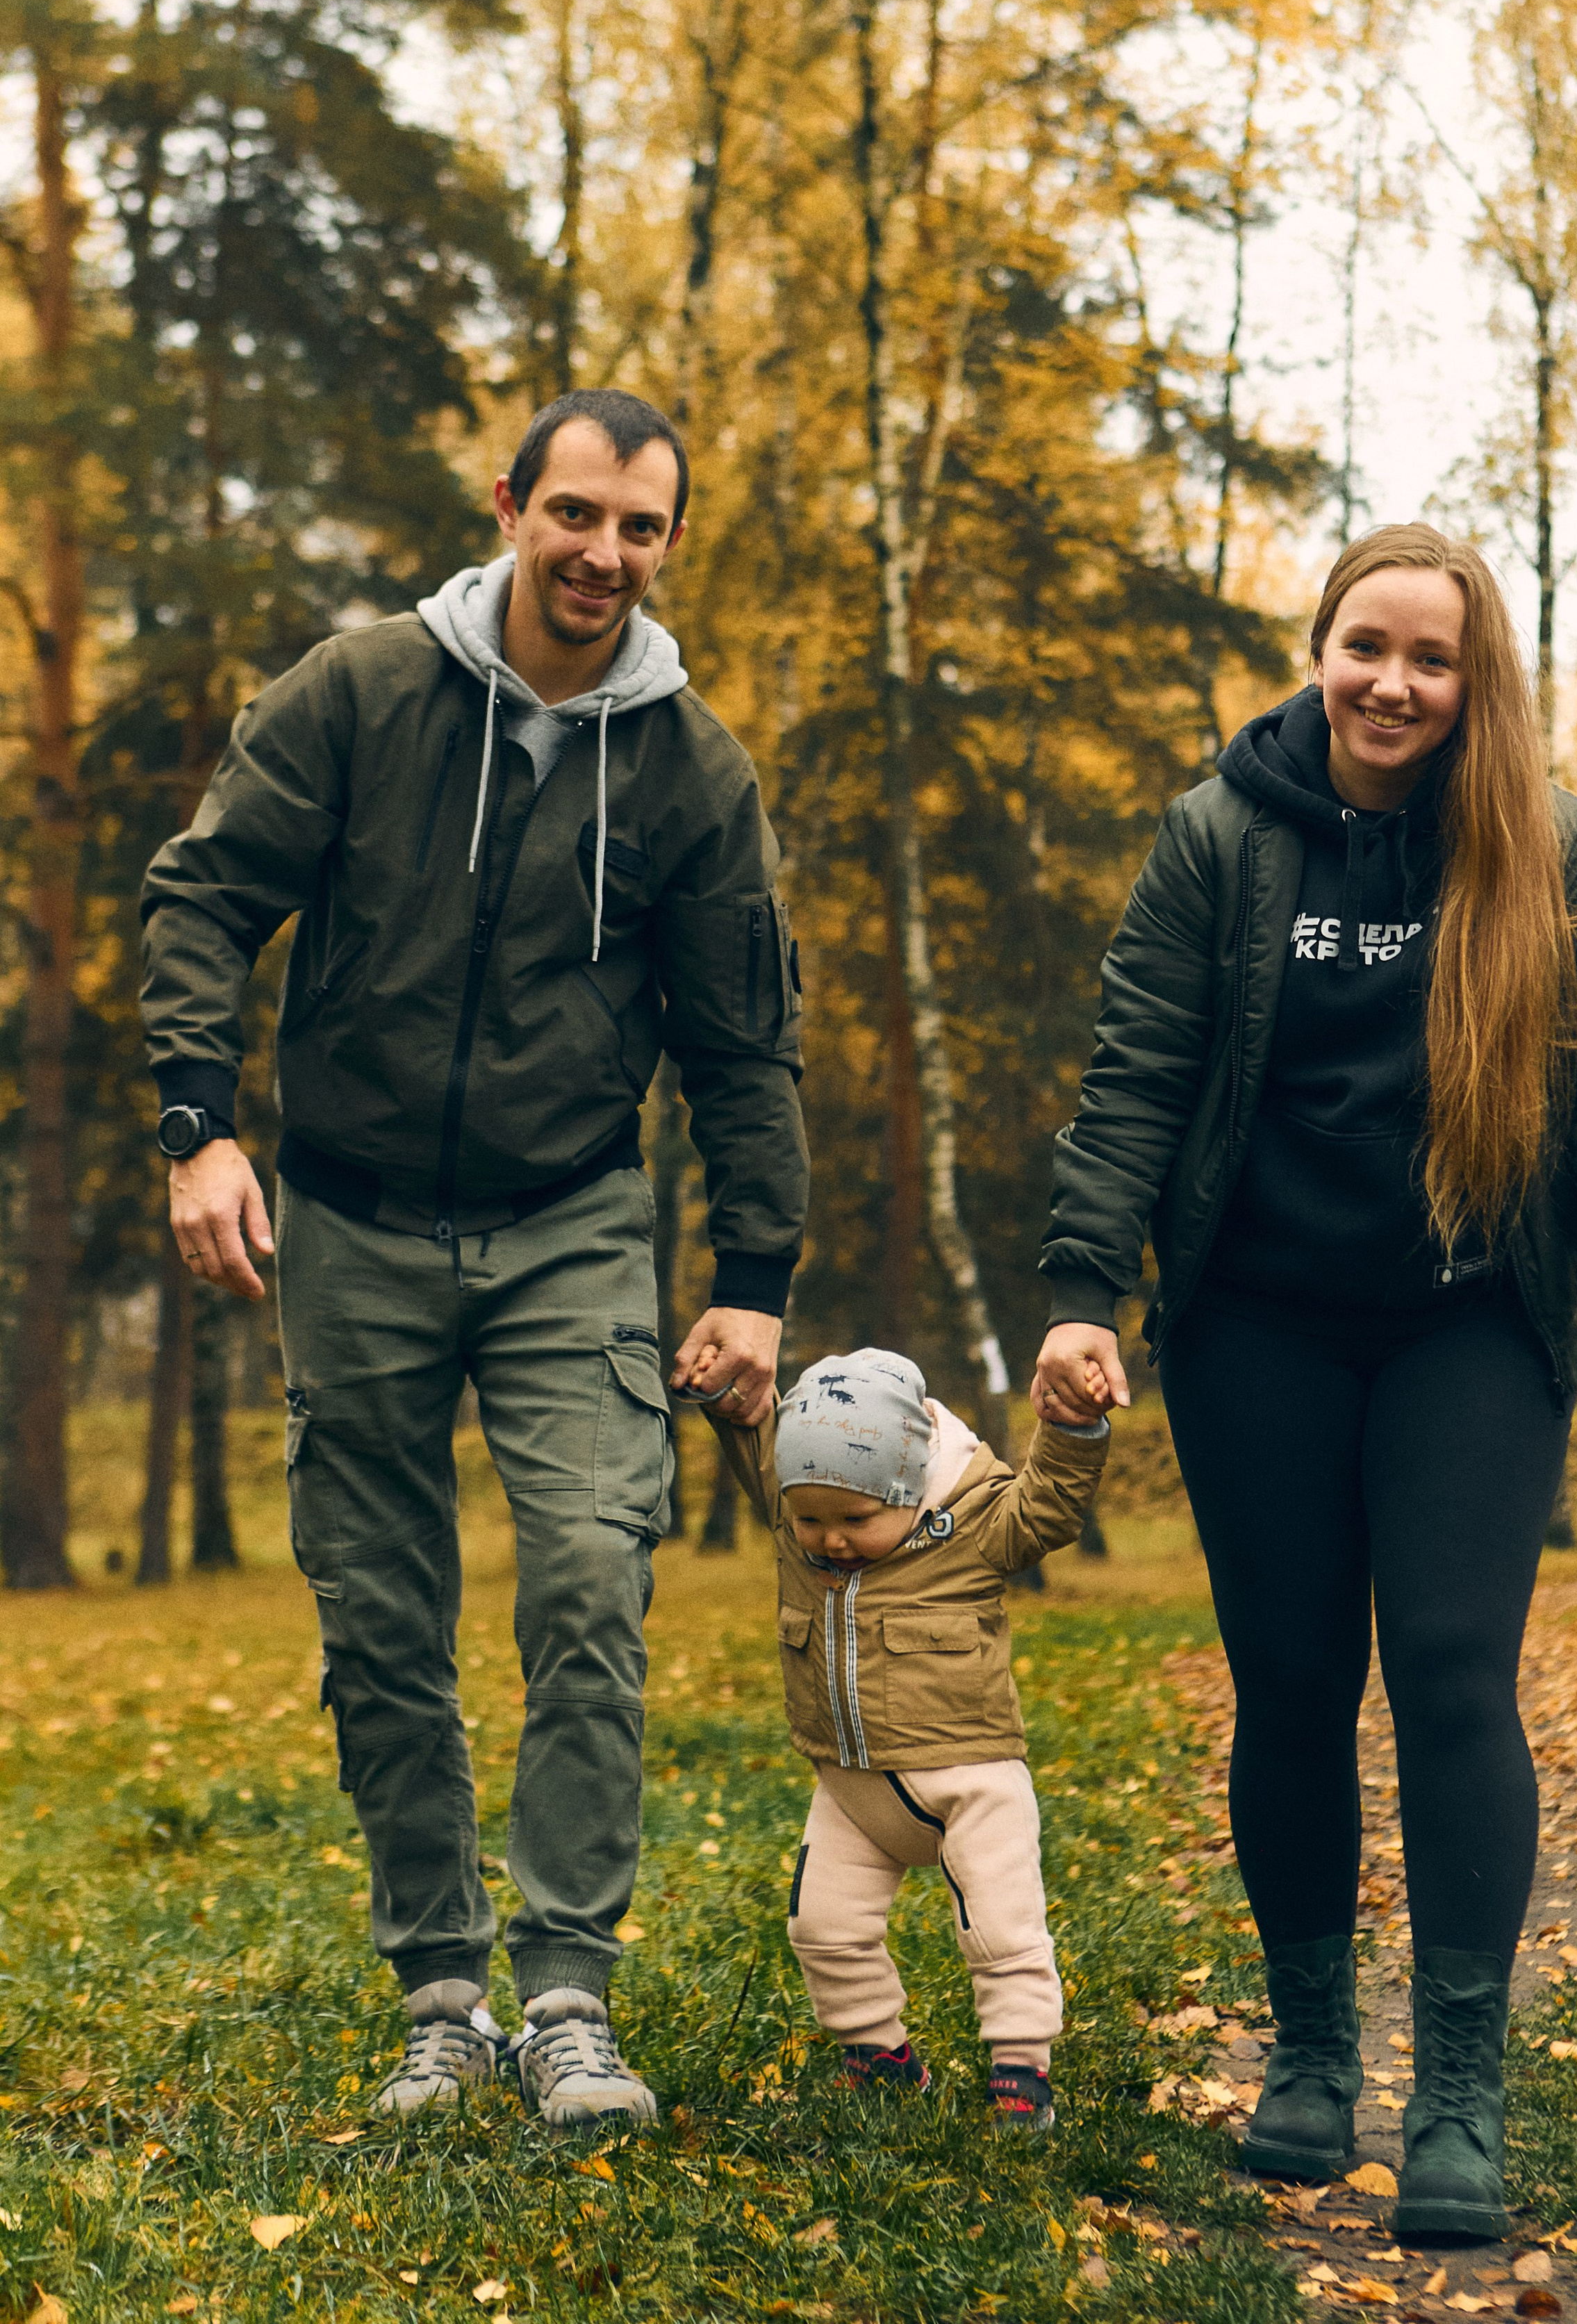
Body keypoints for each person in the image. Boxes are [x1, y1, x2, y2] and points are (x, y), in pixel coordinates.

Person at [139, 388, 808, 2127]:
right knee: (382, 1610)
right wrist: (198, 1125)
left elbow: (743, 1045)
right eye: (574, 512)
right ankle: (442, 1990)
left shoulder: (690, 769)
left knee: (591, 1576)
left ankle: (569, 1993)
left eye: (639, 527)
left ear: (669, 547)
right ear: (511, 504)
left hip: (573, 1221)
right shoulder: (359, 691)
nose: (601, 552)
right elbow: (205, 894)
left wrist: (753, 1272)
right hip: (350, 1216)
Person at [1030, 525, 1577, 2240]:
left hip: (1467, 1321)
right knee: (1292, 1679)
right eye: (1363, 645)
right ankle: (1312, 2055)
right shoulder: (1217, 837)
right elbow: (1137, 1075)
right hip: (1258, 1323)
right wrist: (1085, 1290)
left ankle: (1456, 2087)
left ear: (1478, 681)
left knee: (1454, 1674)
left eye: (1431, 656)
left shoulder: (1545, 843)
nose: (1392, 682)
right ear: (1315, 648)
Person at [712, 1347, 1109, 2133]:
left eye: (856, 1520)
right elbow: (754, 1441)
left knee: (1001, 1932)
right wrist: (727, 1393)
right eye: (810, 1521)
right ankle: (879, 2056)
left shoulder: (975, 1521)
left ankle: (1020, 2068)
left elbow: (1052, 1507)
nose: (830, 1541)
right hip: (853, 1789)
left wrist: (1071, 1426)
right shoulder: (798, 1517)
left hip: (972, 1785)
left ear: (909, 1488)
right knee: (821, 1928)